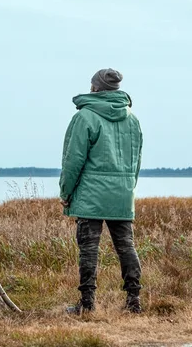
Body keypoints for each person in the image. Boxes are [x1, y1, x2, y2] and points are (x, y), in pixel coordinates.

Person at [59, 68, 143, 314]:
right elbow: (136, 162)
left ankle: (87, 304)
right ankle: (133, 301)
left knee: (88, 248)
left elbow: (73, 160)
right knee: (126, 246)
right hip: (123, 193)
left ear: (96, 88)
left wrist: (66, 192)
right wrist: (128, 187)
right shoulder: (132, 118)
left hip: (90, 195)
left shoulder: (84, 117)